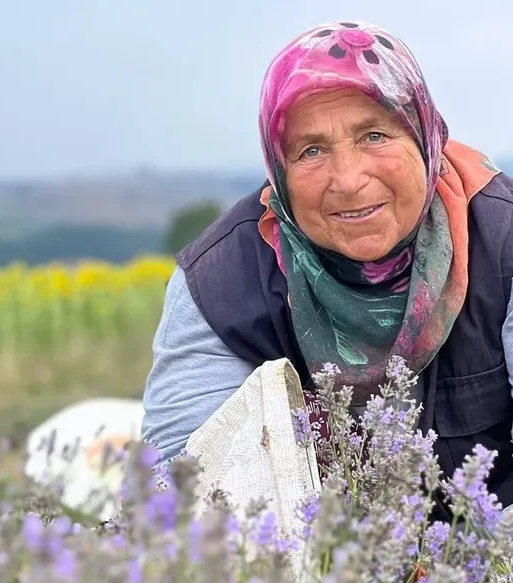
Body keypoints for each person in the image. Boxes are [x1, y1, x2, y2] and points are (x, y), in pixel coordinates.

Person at [141, 20, 513, 517]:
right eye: (311, 150)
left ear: (424, 137)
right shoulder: (220, 283)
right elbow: (186, 491)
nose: (349, 179)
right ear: (279, 167)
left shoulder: (501, 237)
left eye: (375, 135)